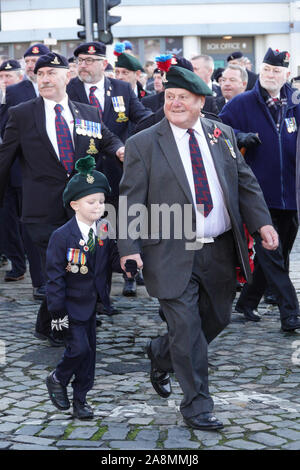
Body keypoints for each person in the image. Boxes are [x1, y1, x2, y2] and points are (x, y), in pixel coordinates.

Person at [118, 64, 278, 430]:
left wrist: (263, 222)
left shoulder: (221, 133)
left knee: (218, 318)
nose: (174, 103)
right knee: (188, 331)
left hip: (219, 249)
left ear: (201, 102)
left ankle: (161, 353)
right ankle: (196, 406)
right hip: (170, 250)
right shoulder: (143, 143)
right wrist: (128, 246)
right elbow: (129, 201)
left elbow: (246, 182)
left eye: (183, 98)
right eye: (169, 97)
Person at [0, 52, 124, 347]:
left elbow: (106, 138)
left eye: (51, 73)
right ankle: (62, 326)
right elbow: (4, 160)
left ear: (67, 76)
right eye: (40, 74)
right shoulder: (22, 114)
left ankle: (48, 324)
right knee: (58, 271)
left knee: (77, 269)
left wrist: (120, 150)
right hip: (41, 210)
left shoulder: (87, 113)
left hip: (83, 210)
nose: (44, 79)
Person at [220, 48, 300, 330]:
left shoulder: (295, 103)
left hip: (291, 195)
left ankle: (247, 301)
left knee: (278, 254)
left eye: (277, 71)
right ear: (260, 71)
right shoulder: (241, 104)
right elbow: (217, 132)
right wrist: (240, 136)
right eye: (267, 70)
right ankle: (291, 312)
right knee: (272, 254)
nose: (271, 75)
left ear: (286, 75)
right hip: (256, 195)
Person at [67, 41, 152, 298]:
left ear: (104, 64)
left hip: (118, 170)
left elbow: (142, 117)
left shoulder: (122, 88)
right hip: (87, 173)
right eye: (81, 60)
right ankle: (96, 285)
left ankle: (130, 275)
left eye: (90, 60)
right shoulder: (69, 89)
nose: (84, 65)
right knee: (93, 230)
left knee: (124, 226)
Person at [45, 156, 122, 419]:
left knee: (89, 358)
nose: (98, 207)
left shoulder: (103, 229)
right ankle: (58, 377)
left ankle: (81, 400)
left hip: (92, 306)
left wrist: (127, 265)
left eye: (101, 201)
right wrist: (56, 313)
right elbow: (54, 277)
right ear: (75, 204)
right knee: (78, 349)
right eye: (91, 202)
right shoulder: (61, 236)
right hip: (67, 307)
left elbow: (111, 260)